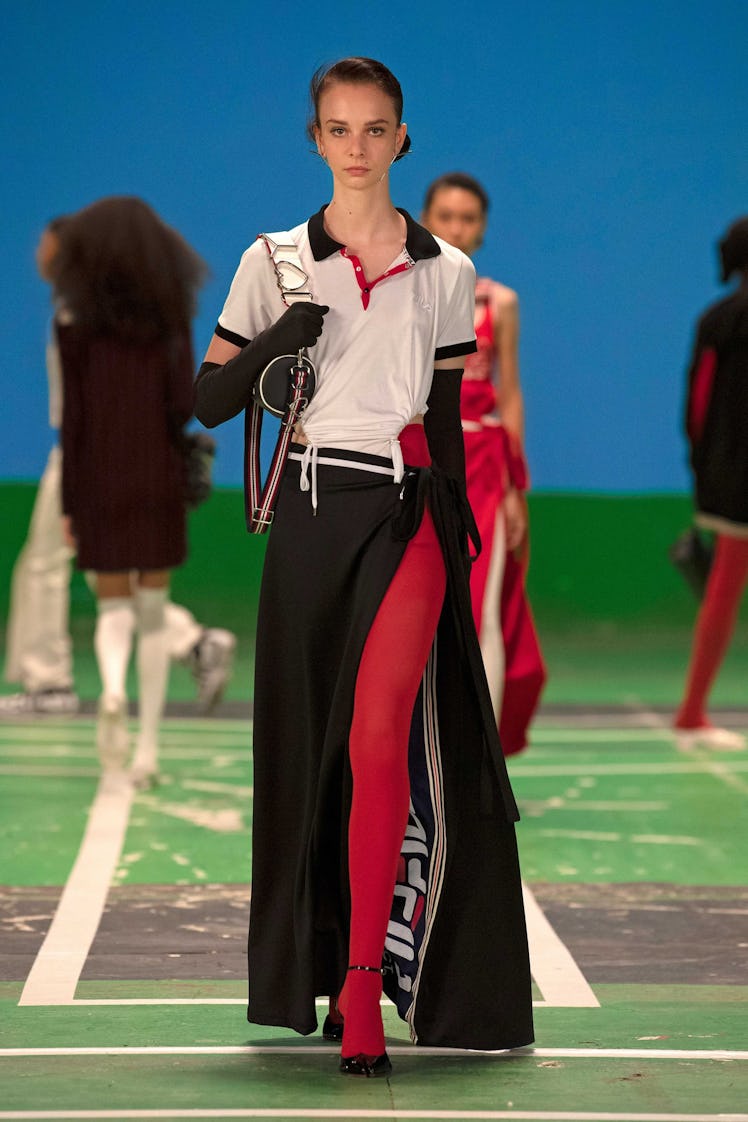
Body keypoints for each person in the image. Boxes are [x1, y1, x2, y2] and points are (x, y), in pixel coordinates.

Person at [195, 57, 533, 1077]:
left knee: (383, 741)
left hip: (405, 515)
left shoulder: (448, 274)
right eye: (337, 128)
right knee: (320, 753)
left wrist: (463, 531)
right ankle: (324, 963)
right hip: (305, 515)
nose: (355, 144)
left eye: (374, 128)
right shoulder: (274, 260)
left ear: (400, 140)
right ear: (316, 139)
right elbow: (209, 402)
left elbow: (436, 416)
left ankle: (360, 988)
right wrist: (273, 347)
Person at [1, 218, 236, 721]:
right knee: (102, 572)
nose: (39, 251)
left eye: (48, 243)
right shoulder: (120, 310)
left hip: (84, 455)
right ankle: (194, 643)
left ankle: (47, 684)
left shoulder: (79, 313)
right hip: (120, 453)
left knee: (44, 564)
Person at [54, 196, 208, 786]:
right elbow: (184, 403)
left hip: (97, 475)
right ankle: (146, 749)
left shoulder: (72, 323)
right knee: (151, 612)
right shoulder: (171, 318)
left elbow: (73, 419)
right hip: (157, 474)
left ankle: (111, 689)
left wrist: (71, 501)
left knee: (112, 602)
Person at [420, 173, 545, 755]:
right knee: (419, 604)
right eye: (445, 215)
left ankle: (482, 759)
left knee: (483, 606)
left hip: (485, 467)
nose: (456, 227)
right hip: (421, 462)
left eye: (468, 217)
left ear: (484, 227)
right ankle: (422, 750)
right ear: (424, 218)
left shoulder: (500, 302)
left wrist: (518, 489)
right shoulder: (406, 291)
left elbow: (511, 392)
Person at [673, 216, 748, 750]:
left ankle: (693, 711)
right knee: (724, 585)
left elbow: (696, 407)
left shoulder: (715, 319)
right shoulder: (721, 322)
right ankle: (692, 712)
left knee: (723, 587)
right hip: (734, 476)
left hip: (726, 475)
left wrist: (702, 464)